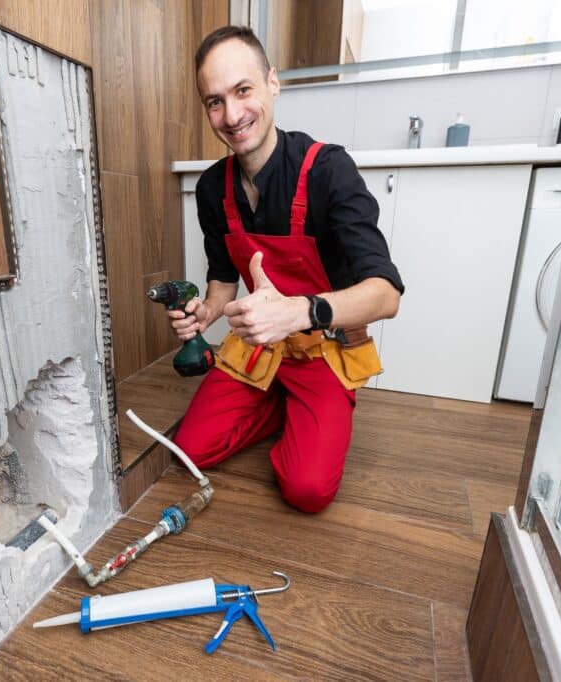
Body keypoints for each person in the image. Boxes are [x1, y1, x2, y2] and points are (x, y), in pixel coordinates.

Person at [169, 26, 404, 513]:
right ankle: (280, 406)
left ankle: (306, 408)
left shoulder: (329, 170)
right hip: (257, 349)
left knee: (308, 490)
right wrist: (206, 312)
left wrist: (300, 311)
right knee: (190, 451)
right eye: (215, 102)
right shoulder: (215, 189)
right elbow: (222, 278)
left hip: (323, 352)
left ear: (273, 83)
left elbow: (386, 294)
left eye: (243, 90)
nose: (232, 116)